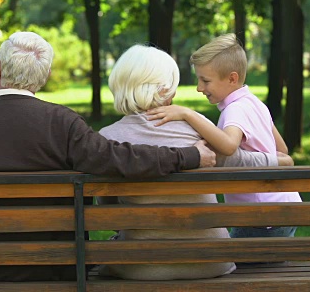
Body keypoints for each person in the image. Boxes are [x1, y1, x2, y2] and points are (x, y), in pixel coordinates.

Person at [0, 31, 217, 282]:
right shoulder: (63, 123)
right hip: (54, 270)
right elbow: (120, 159)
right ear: (45, 76)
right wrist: (189, 156)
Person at [96, 44, 294, 280]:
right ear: (165, 89)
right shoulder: (195, 130)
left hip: (139, 266)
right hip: (210, 263)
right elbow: (242, 161)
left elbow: (108, 209)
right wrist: (279, 160)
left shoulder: (106, 139)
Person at [146, 33, 302, 239]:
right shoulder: (255, 103)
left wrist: (187, 113)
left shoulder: (235, 110)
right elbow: (281, 150)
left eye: (205, 81)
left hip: (260, 217)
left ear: (232, 78)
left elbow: (228, 146)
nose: (199, 88)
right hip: (284, 208)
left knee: (222, 262)